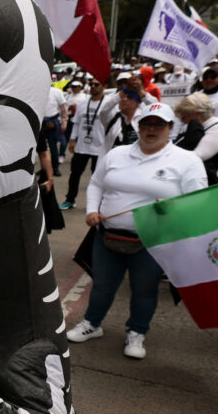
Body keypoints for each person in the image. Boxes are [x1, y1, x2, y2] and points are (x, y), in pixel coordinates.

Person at [66, 103, 207, 360]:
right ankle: (92, 324)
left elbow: (197, 201)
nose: (151, 129)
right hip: (108, 235)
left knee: (144, 289)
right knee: (102, 286)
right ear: (138, 126)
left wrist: (174, 208)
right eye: (146, 124)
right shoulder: (117, 154)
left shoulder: (187, 160)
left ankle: (137, 332)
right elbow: (96, 183)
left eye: (158, 124)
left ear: (170, 127)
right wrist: (92, 210)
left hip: (153, 241)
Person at [61, 79, 106, 209]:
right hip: (82, 146)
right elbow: (76, 123)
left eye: (96, 84)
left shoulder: (108, 103)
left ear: (104, 86)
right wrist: (72, 140)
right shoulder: (82, 103)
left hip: (100, 147)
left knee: (98, 177)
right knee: (74, 174)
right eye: (91, 84)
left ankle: (99, 204)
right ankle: (70, 200)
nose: (93, 86)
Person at [173, 93, 218, 185]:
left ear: (197, 114)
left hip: (206, 183)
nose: (183, 121)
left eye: (184, 117)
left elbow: (197, 156)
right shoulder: (190, 127)